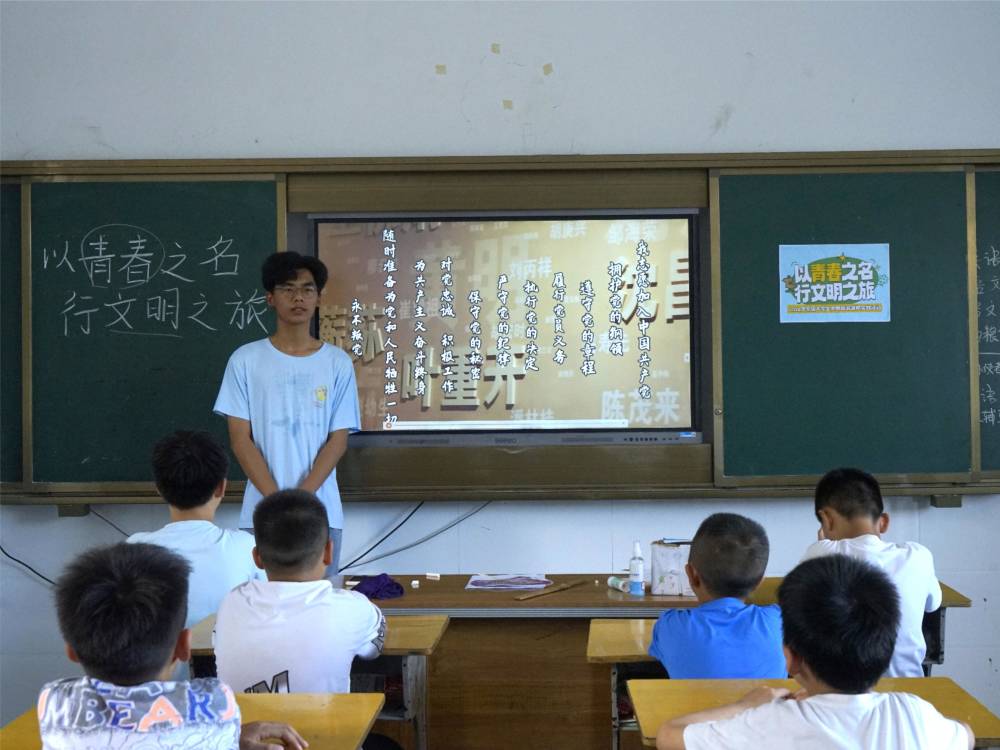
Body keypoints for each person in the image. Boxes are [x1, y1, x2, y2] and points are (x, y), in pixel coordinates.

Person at [656, 554, 973, 750]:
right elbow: (966, 735)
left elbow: (669, 735)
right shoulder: (914, 714)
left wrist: (744, 704)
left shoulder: (769, 721)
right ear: (885, 648)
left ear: (790, 657)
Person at [40, 542, 306, 750]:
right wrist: (230, 735)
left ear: (71, 649)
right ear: (183, 645)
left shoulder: (55, 703)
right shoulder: (213, 705)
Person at [214, 251, 360, 575]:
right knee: (262, 612)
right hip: (261, 513)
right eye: (287, 288)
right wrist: (276, 502)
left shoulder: (337, 363)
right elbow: (240, 439)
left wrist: (302, 500)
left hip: (321, 514)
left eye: (308, 289)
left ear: (319, 298)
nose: (298, 297)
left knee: (318, 611)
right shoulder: (245, 360)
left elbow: (338, 441)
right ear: (270, 297)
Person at [214, 489, 385, 694]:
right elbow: (373, 651)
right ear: (329, 552)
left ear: (257, 557)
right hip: (323, 726)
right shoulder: (353, 608)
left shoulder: (232, 603)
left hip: (245, 726)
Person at [801, 466, 942, 677]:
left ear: (827, 520)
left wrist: (825, 545)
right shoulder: (918, 556)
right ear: (883, 521)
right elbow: (934, 604)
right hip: (908, 689)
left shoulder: (820, 553)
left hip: (845, 693)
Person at [127, 430, 262, 628]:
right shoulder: (246, 547)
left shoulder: (132, 549)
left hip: (157, 658)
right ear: (221, 487)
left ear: (159, 488)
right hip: (226, 658)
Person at [648, 513, 785, 678]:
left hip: (700, 705)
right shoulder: (781, 623)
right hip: (769, 704)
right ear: (759, 582)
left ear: (691, 574)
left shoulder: (670, 625)